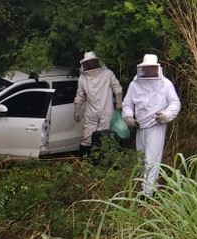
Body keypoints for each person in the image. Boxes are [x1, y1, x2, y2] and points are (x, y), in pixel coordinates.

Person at [122, 54, 181, 197]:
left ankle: (147, 194)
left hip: (156, 125)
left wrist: (166, 116)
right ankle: (150, 186)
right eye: (146, 68)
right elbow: (127, 104)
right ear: (142, 68)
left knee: (151, 159)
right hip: (140, 126)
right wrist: (129, 116)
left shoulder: (165, 84)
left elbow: (175, 103)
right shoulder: (135, 84)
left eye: (150, 68)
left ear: (156, 68)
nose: (148, 71)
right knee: (141, 159)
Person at [74, 51, 123, 155]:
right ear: (84, 64)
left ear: (97, 61)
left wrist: (119, 102)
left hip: (106, 110)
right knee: (87, 136)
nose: (91, 65)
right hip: (91, 111)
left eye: (92, 62)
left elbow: (117, 88)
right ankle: (86, 161)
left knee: (103, 135)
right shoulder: (83, 78)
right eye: (88, 63)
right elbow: (80, 95)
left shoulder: (107, 73)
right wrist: (77, 110)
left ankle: (100, 161)